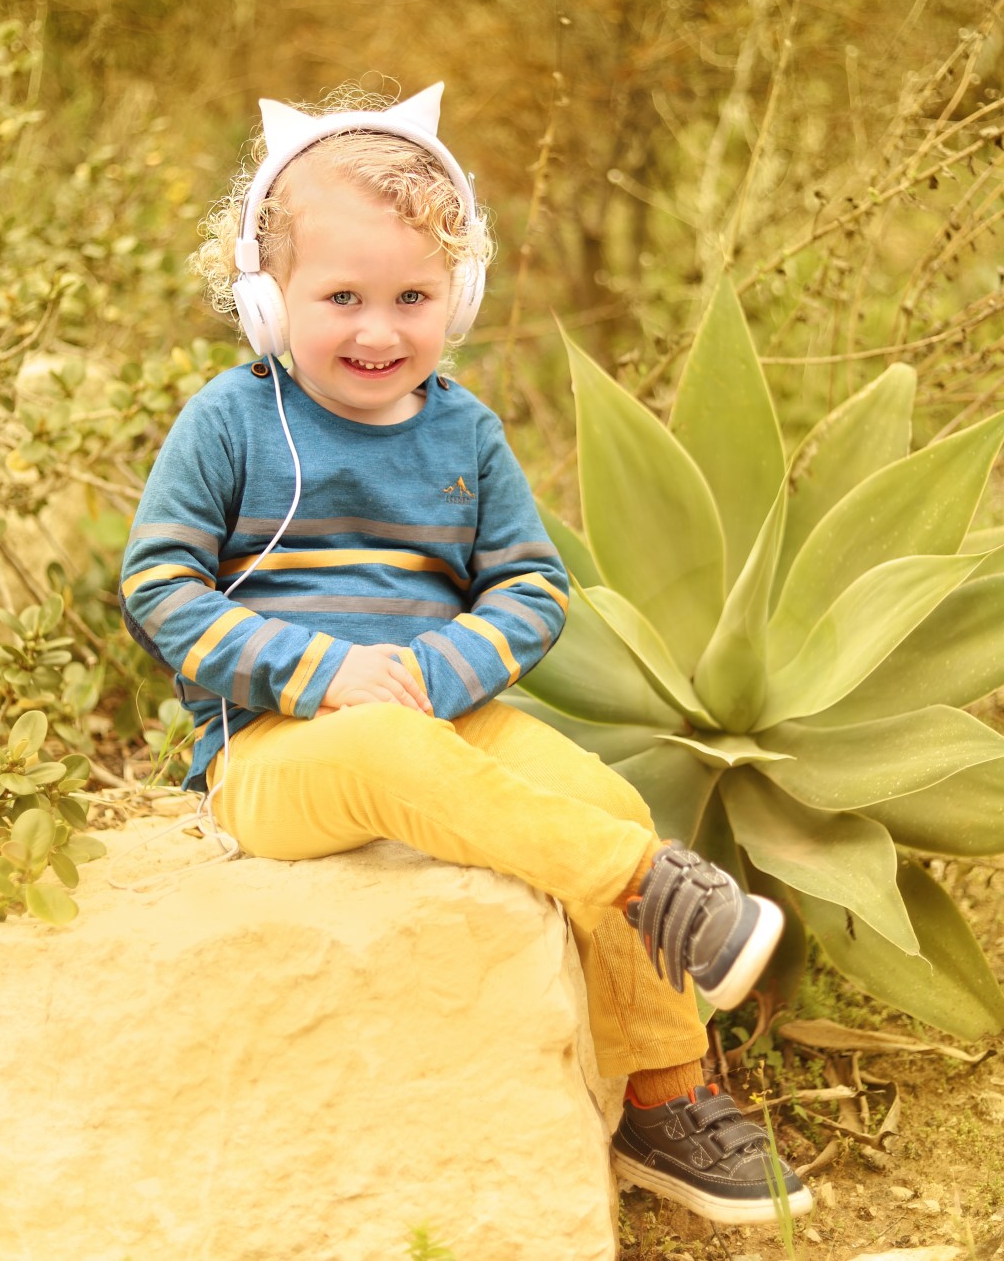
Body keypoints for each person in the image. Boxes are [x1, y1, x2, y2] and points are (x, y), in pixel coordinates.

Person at [119, 83, 811, 1227]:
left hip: (442, 713)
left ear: (462, 294)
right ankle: (652, 891)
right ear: (265, 298)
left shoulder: (464, 430)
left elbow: (532, 589)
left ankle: (664, 1100)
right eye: (340, 297)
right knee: (397, 749)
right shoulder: (233, 422)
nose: (378, 330)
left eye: (412, 296)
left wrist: (439, 671)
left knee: (591, 788)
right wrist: (319, 669)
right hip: (279, 757)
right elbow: (160, 587)